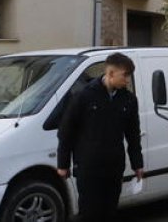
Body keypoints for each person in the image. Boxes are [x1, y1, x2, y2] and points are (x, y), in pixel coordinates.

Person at [57, 52, 144, 222]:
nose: (127, 80)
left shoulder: (129, 100)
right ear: (111, 73)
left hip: (113, 167)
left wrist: (137, 164)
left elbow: (133, 135)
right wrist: (63, 164)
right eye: (125, 75)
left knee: (109, 212)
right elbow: (66, 131)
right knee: (90, 214)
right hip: (89, 167)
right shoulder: (84, 96)